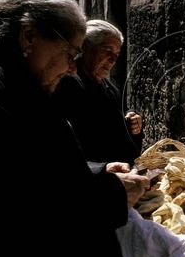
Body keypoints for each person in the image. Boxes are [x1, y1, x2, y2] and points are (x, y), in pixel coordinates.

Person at [0, 0, 149, 257]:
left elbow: (33, 167)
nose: (72, 67)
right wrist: (110, 197)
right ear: (28, 35)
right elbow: (19, 218)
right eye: (71, 54)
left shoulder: (14, 79)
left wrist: (97, 171)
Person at [53, 19, 143, 175]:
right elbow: (64, 146)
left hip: (119, 174)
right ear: (84, 48)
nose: (113, 60)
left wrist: (132, 125)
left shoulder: (110, 89)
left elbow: (120, 129)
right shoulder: (67, 85)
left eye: (116, 54)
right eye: (107, 50)